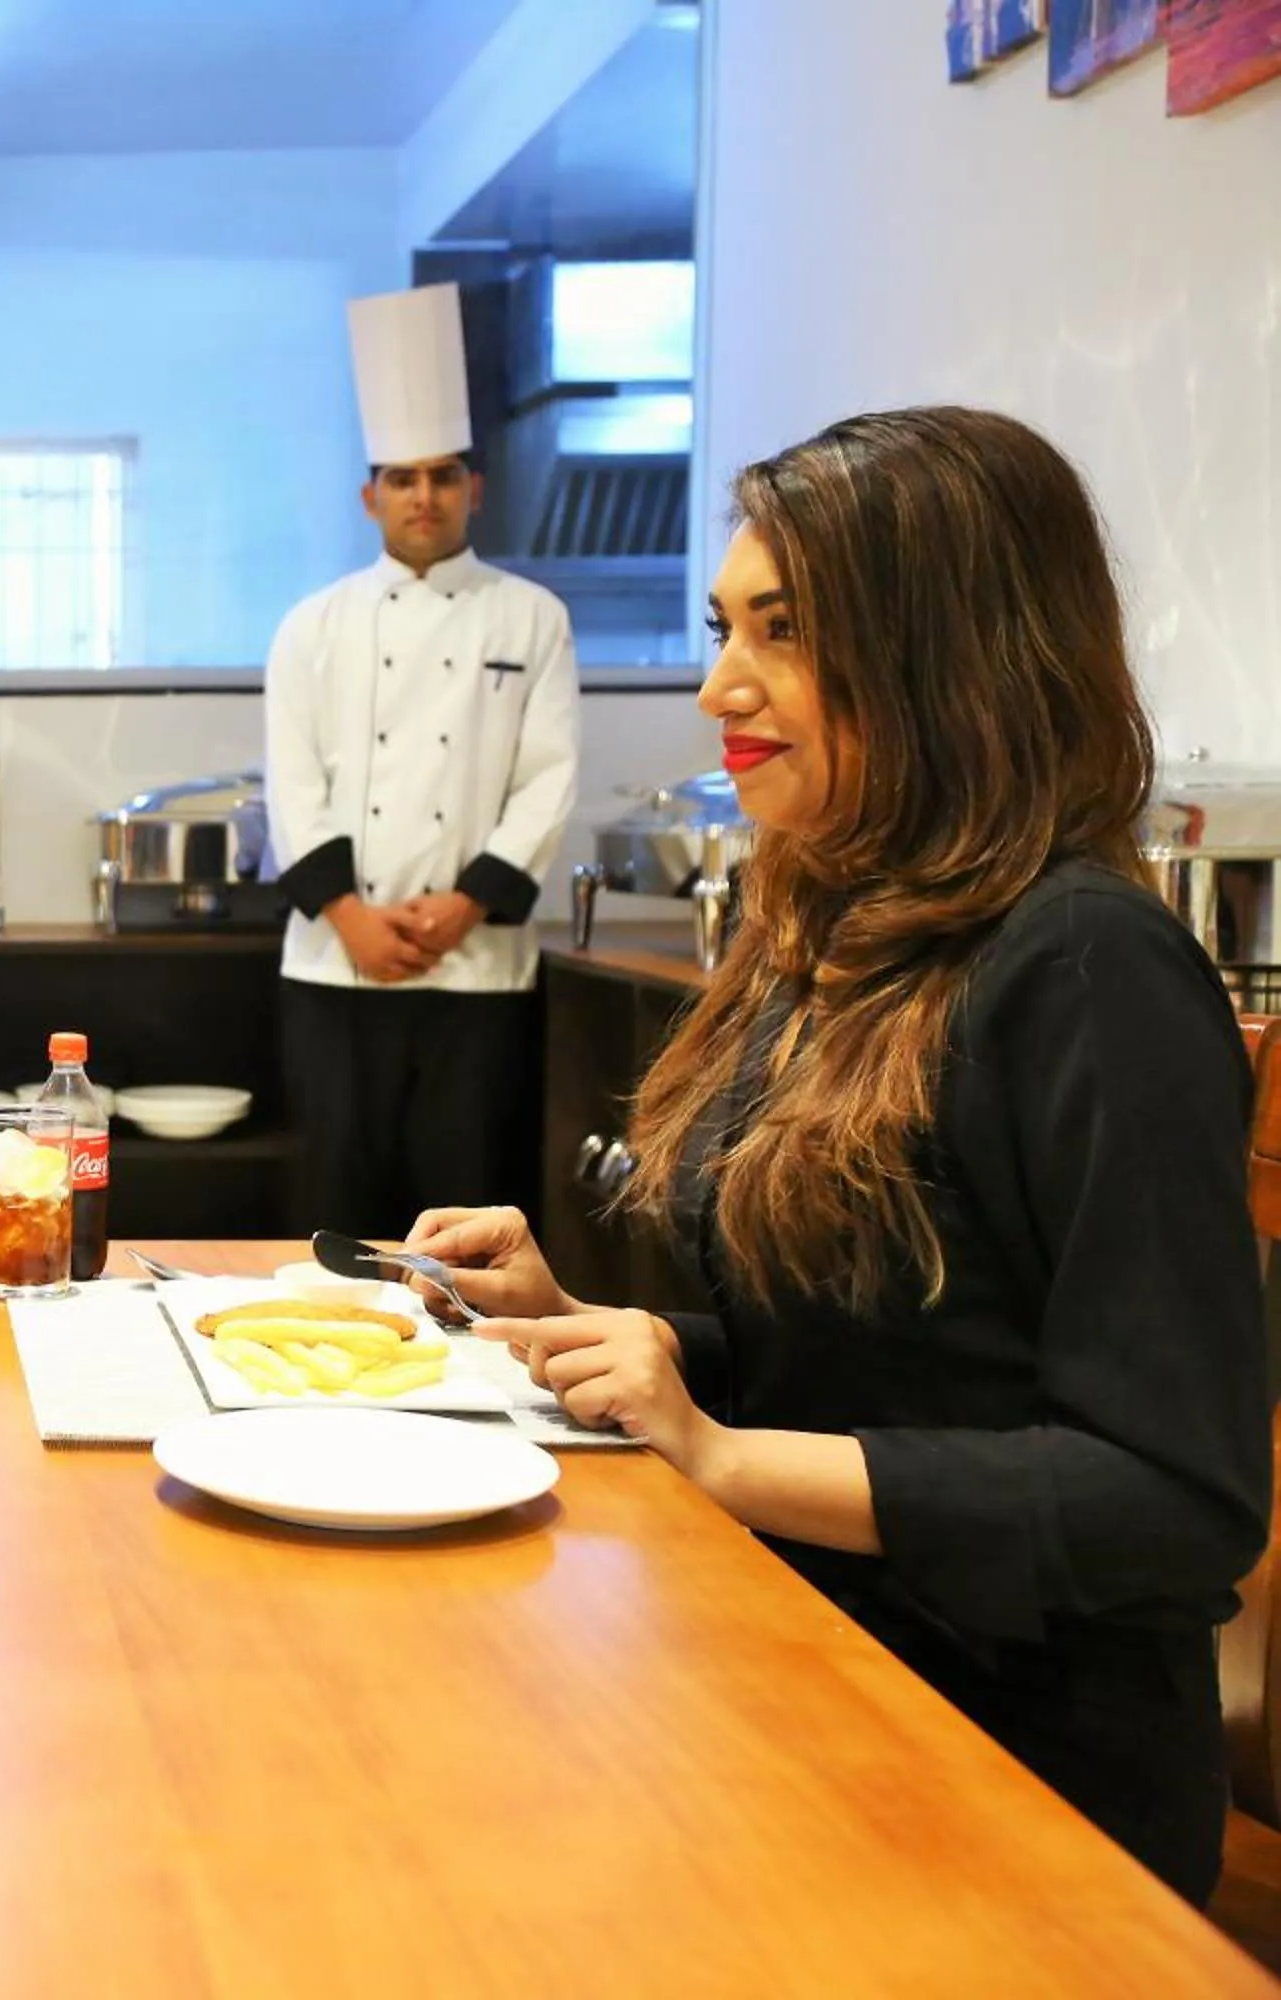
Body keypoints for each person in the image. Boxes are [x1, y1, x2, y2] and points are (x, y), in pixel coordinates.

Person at [404, 407, 1268, 1905]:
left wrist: (722, 1456)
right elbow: (870, 1355)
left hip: (1015, 1766)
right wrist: (590, 1331)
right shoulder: (831, 930)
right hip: (792, 1659)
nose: (718, 685)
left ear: (951, 650)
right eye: (725, 627)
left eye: (785, 630)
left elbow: (1172, 1501)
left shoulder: (1086, 967)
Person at [264, 283, 579, 1237]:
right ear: (371, 497)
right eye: (403, 478)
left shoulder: (533, 618)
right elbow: (293, 783)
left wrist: (465, 905)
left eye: (443, 476)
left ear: (473, 489)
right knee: (335, 1214)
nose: (424, 496)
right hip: (337, 967)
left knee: (468, 1214)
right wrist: (354, 919)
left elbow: (548, 777)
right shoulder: (312, 624)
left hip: (477, 970)